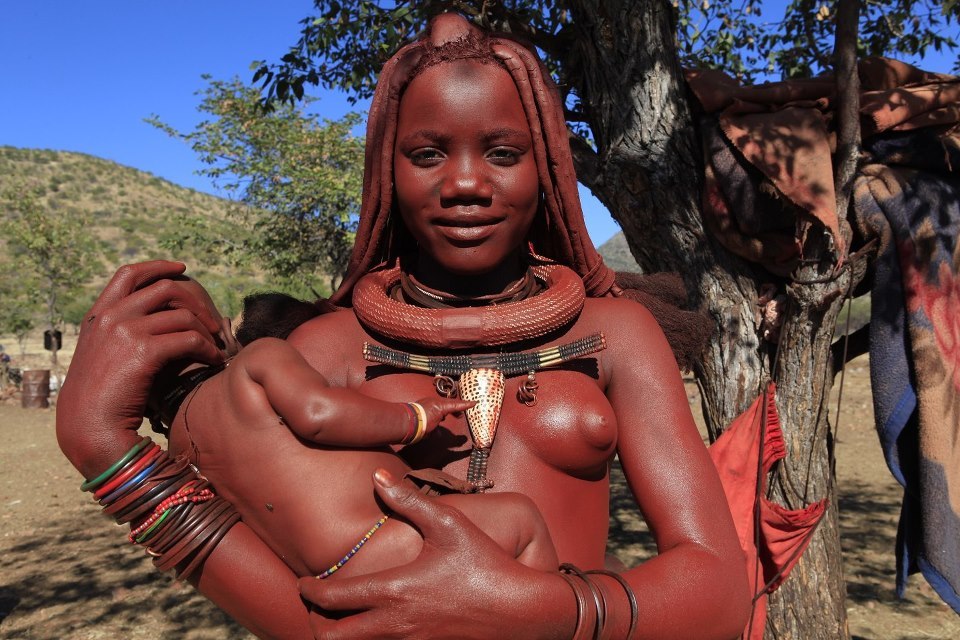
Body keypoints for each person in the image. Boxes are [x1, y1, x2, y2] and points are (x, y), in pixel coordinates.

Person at [57, 13, 750, 639]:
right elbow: (315, 616)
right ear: (385, 174)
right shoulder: (328, 347)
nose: (466, 183)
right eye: (428, 154)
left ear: (549, 167)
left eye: (503, 152)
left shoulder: (617, 335)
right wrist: (103, 450)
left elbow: (720, 592)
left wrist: (550, 613)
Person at [148, 280, 556, 580]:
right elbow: (319, 414)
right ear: (219, 332)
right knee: (520, 518)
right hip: (384, 539)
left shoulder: (181, 441)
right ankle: (548, 612)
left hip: (326, 575)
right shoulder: (257, 360)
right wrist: (415, 416)